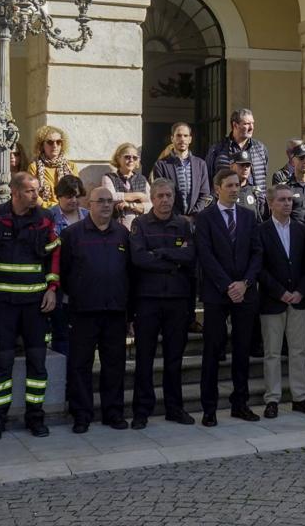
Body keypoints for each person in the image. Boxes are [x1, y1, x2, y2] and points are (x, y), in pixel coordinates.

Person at [0, 173, 60, 441]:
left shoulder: (45, 218)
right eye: (30, 191)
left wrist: (52, 289)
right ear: (14, 192)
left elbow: (53, 257)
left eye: (37, 190)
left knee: (38, 365)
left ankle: (35, 417)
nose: (36, 195)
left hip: (36, 306)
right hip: (3, 306)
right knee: (2, 363)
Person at [60, 185, 131, 434]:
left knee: (114, 364)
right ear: (88, 204)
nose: (105, 205)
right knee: (81, 364)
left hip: (115, 311)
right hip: (83, 311)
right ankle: (82, 414)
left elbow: (129, 273)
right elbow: (64, 272)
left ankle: (113, 412)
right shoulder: (72, 234)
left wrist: (129, 311)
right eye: (100, 201)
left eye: (109, 201)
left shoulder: (122, 234)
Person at [195, 169, 262, 425]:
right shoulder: (205, 218)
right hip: (216, 294)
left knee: (243, 351)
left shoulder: (248, 216)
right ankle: (209, 408)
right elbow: (206, 256)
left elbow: (257, 253)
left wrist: (244, 284)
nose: (235, 189)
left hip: (245, 293)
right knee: (212, 351)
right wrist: (228, 286)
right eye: (230, 185)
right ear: (217, 188)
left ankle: (240, 404)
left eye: (238, 185)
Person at [128, 179, 196, 428]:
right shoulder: (140, 224)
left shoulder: (183, 225)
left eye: (169, 195)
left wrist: (161, 253)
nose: (165, 200)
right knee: (144, 358)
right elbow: (139, 259)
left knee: (174, 358)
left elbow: (190, 257)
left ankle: (174, 408)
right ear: (152, 199)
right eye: (160, 196)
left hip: (177, 300)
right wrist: (173, 261)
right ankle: (141, 411)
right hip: (148, 300)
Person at [257, 183, 305, 417]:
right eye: (281, 200)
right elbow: (259, 268)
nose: (287, 203)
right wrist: (279, 291)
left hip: (298, 300)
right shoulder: (261, 231)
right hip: (273, 300)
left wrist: (300, 291)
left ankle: (299, 397)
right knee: (272, 352)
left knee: (298, 351)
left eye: (290, 200)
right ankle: (272, 399)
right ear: (271, 203)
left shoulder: (302, 230)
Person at [46, 175, 88, 356]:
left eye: (78, 196)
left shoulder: (87, 215)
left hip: (85, 280)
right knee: (61, 332)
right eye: (69, 196)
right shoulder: (49, 216)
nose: (74, 200)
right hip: (59, 280)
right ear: (59, 196)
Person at [151, 122, 211, 217]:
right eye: (178, 135)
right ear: (172, 138)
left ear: (190, 139)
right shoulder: (161, 165)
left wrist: (193, 215)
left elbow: (205, 194)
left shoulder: (200, 164)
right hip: (170, 219)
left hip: (196, 220)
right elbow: (161, 194)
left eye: (185, 136)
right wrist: (179, 217)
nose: (182, 139)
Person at [205, 108, 269, 187]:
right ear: (235, 125)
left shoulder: (260, 149)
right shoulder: (217, 149)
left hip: (255, 198)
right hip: (228, 198)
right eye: (246, 124)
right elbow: (208, 180)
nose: (251, 128)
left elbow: (264, 177)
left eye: (252, 123)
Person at [102, 143, 150, 228]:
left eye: (134, 158)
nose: (131, 160)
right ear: (118, 158)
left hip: (141, 229)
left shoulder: (142, 179)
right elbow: (110, 197)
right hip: (116, 227)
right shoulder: (109, 178)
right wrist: (139, 195)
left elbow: (151, 205)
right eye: (127, 157)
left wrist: (131, 205)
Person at [27, 125, 73, 209]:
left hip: (67, 210)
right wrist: (49, 207)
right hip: (43, 212)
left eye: (58, 142)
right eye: (50, 142)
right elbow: (31, 192)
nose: (55, 145)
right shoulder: (34, 167)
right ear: (42, 145)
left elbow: (76, 192)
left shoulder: (71, 166)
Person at [231, 151, 268, 219]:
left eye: (248, 165)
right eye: (241, 165)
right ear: (232, 166)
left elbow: (263, 219)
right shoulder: (224, 191)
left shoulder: (256, 193)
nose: (245, 168)